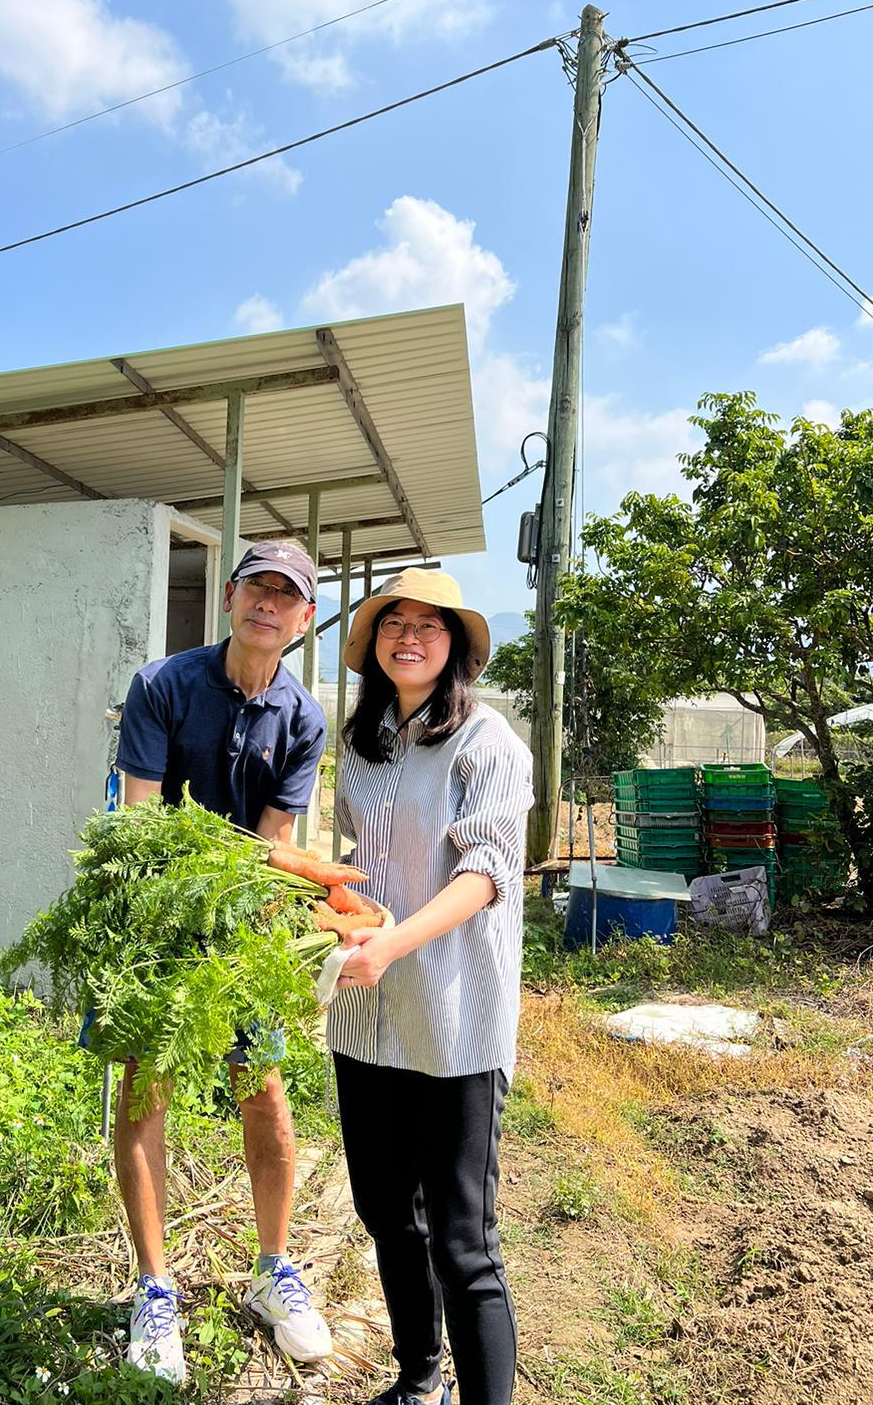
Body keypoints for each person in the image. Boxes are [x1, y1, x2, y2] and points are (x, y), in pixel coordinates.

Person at [109, 539, 334, 1384]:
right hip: (154, 912)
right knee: (147, 1082)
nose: (267, 605)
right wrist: (184, 897)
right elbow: (138, 823)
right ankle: (154, 1286)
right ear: (231, 598)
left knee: (265, 1093)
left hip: (241, 926)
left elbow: (276, 845)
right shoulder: (163, 686)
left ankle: (274, 1269)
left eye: (286, 597)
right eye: (256, 589)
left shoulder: (304, 718)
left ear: (304, 619)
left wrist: (291, 901)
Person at [329, 568, 532, 1405]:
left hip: (452, 1019)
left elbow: (487, 874)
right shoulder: (361, 742)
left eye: (429, 625)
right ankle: (420, 1379)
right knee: (387, 1217)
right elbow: (356, 860)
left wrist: (391, 943)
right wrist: (328, 902)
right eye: (392, 624)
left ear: (456, 647)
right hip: (366, 1019)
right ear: (375, 646)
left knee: (462, 1242)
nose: (408, 637)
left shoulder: (488, 745)